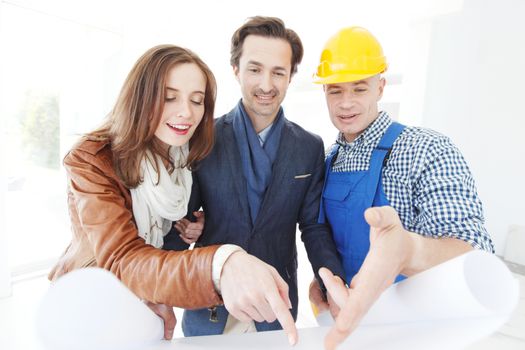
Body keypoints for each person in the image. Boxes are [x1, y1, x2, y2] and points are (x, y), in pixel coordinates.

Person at [48, 44, 298, 345]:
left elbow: (171, 236)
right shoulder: (92, 159)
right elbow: (123, 259)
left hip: (143, 309)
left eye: (197, 101)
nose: (186, 112)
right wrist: (222, 263)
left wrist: (198, 226)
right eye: (169, 97)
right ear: (141, 96)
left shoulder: (181, 156)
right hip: (88, 306)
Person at [308, 26, 495, 349]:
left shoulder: (426, 149)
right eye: (335, 90)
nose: (346, 103)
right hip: (347, 330)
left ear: (380, 87)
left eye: (359, 88)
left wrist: (408, 249)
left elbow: (475, 254)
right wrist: (322, 284)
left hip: (415, 333)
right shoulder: (326, 161)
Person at [167, 16, 345, 337]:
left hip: (276, 304)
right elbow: (180, 218)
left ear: (291, 76)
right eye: (254, 69)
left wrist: (333, 280)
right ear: (235, 70)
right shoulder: (203, 137)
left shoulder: (309, 146)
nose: (266, 84)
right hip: (210, 300)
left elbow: (313, 227)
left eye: (279, 72)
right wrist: (159, 294)